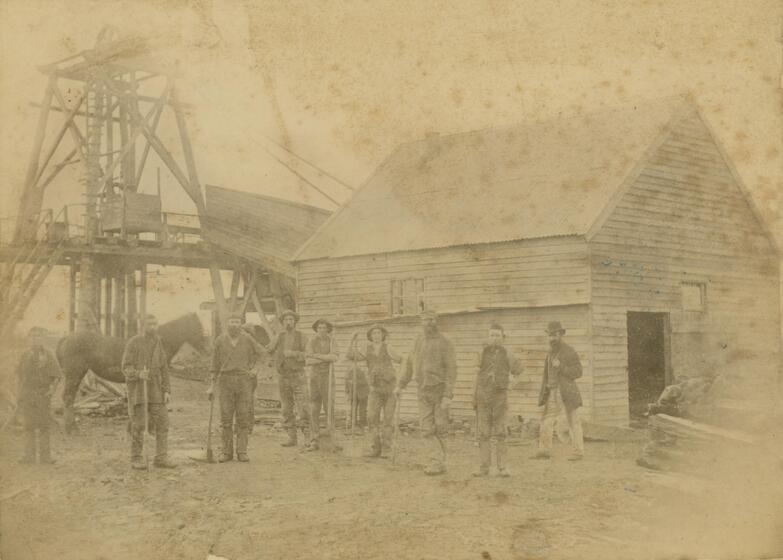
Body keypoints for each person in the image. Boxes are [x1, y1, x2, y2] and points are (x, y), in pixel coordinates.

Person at [395, 310, 457, 475]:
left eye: (431, 320)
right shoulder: (417, 341)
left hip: (440, 390)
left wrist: (447, 395)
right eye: (425, 320)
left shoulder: (445, 342)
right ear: (420, 322)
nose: (428, 323)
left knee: (441, 428)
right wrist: (400, 385)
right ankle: (436, 462)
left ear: (436, 322)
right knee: (426, 429)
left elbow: (452, 370)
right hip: (423, 391)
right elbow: (408, 364)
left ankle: (441, 462)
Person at [207, 313, 266, 462]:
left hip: (244, 381)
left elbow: (262, 353)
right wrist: (211, 386)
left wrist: (256, 369)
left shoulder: (247, 338)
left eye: (237, 322)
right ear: (227, 323)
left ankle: (242, 451)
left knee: (243, 417)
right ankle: (227, 452)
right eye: (231, 322)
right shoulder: (220, 340)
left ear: (241, 324)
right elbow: (214, 365)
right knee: (226, 418)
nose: (234, 324)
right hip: (225, 381)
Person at [122, 314, 176, 469]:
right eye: (150, 324)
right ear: (143, 326)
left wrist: (167, 390)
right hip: (140, 391)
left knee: (163, 423)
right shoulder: (134, 343)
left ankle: (161, 458)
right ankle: (137, 458)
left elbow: (164, 368)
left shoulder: (158, 342)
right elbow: (125, 366)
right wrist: (138, 374)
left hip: (157, 391)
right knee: (138, 425)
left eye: (155, 324)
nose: (153, 327)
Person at [472, 323, 523, 477]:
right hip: (483, 397)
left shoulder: (508, 354)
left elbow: (519, 372)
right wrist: (474, 396)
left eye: (497, 335)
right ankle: (484, 467)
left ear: (503, 338)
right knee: (483, 433)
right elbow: (476, 376)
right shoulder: (481, 353)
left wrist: (510, 385)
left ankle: (502, 467)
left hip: (500, 397)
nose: (494, 338)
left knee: (500, 432)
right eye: (492, 335)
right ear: (488, 337)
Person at [346, 324, 402, 458]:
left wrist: (399, 381)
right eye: (373, 334)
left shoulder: (388, 347)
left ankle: (386, 449)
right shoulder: (367, 349)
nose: (376, 336)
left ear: (383, 335)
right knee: (372, 418)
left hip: (389, 389)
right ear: (370, 336)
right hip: (375, 389)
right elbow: (351, 356)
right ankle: (375, 448)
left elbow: (402, 360)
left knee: (388, 420)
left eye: (378, 333)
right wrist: (351, 341)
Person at [532, 321, 584, 461]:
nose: (552, 338)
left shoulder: (569, 351)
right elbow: (546, 374)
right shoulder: (550, 352)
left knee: (573, 420)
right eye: (549, 335)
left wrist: (561, 366)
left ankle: (578, 452)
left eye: (554, 335)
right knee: (547, 420)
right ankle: (544, 451)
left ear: (561, 334)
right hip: (552, 391)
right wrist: (546, 389)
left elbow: (578, 372)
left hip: (566, 392)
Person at [16, 327, 61, 465]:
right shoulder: (24, 355)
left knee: (44, 426)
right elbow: (19, 376)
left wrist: (51, 390)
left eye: (39, 336)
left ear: (43, 339)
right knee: (28, 426)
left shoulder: (49, 355)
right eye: (33, 336)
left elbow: (57, 376)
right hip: (28, 394)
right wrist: (20, 394)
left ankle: (45, 457)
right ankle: (28, 456)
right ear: (29, 338)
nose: (36, 339)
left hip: (43, 394)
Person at [266, 310, 309, 447]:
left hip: (298, 376)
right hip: (283, 376)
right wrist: (271, 358)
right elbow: (268, 350)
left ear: (295, 322)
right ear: (282, 322)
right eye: (285, 320)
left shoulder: (302, 336)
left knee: (303, 407)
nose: (288, 322)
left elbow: (308, 354)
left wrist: (294, 354)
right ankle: (292, 438)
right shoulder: (279, 336)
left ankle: (308, 438)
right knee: (286, 408)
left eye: (291, 319)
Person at [305, 319, 340, 451]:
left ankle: (332, 440)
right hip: (314, 378)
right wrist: (325, 357)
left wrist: (317, 356)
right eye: (319, 328)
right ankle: (314, 439)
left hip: (328, 378)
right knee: (314, 408)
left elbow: (335, 358)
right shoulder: (311, 341)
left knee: (329, 407)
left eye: (324, 328)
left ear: (328, 329)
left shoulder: (332, 341)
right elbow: (308, 360)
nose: (322, 330)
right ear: (316, 329)